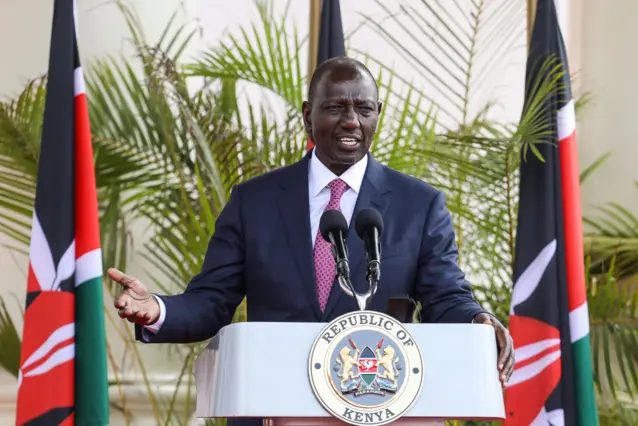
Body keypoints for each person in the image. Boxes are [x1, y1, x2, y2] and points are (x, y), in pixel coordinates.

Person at [108, 56, 515, 422]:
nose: (351, 120)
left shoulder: (419, 205)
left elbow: (445, 296)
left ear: (378, 115)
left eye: (364, 108)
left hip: (379, 410)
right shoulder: (254, 201)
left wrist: (479, 320)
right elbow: (212, 301)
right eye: (336, 107)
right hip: (270, 407)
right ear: (308, 115)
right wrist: (157, 309)